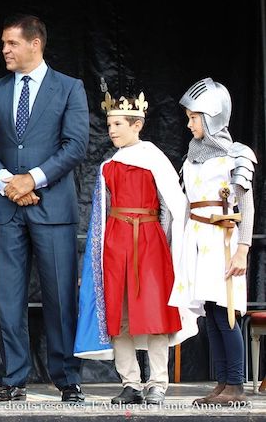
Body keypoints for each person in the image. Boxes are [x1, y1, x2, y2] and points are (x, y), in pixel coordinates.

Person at [0, 14, 89, 403]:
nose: (4, 49)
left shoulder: (70, 88)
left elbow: (75, 145)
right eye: (3, 44)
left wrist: (33, 178)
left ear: (35, 43)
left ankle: (67, 378)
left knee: (60, 296)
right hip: (6, 207)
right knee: (8, 297)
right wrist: (9, 182)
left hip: (52, 207)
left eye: (11, 43)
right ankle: (14, 378)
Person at [74, 92, 194, 405]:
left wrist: (173, 249)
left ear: (136, 125)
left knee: (155, 314)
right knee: (119, 318)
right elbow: (100, 217)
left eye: (117, 124)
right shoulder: (108, 166)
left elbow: (174, 205)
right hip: (116, 245)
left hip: (149, 244)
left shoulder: (153, 157)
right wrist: (96, 263)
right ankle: (131, 383)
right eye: (109, 124)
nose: (111, 130)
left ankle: (158, 383)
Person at [173, 78, 255, 407]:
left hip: (223, 240)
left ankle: (235, 384)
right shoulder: (191, 159)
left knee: (227, 313)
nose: (189, 123)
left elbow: (245, 206)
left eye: (195, 117)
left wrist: (243, 249)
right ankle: (223, 384)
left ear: (212, 117)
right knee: (211, 311)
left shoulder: (236, 155)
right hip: (198, 240)